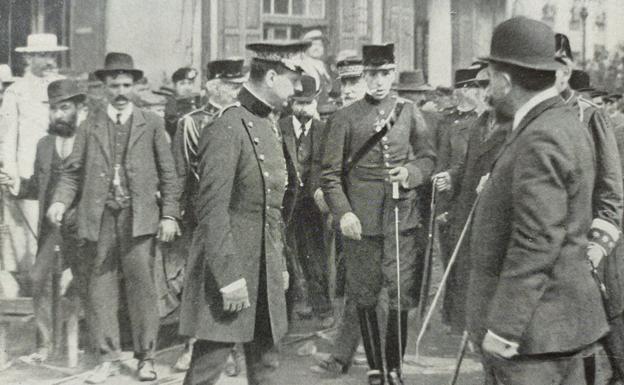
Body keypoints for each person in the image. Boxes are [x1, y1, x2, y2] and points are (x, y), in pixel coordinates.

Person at [467, 17, 610, 384]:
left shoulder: (540, 136)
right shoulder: (562, 121)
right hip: (553, 330)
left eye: (490, 80)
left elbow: (537, 240)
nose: (487, 93)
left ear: (504, 80)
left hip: (532, 340)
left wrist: (504, 327)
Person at [47, 52, 181, 383]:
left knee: (143, 289)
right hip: (100, 218)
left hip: (139, 220)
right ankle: (107, 357)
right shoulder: (89, 125)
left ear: (135, 86)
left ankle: (146, 357)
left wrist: (169, 215)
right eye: (113, 85)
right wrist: (60, 202)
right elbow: (72, 173)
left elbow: (169, 174)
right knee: (100, 290)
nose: (120, 92)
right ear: (103, 88)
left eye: (126, 85)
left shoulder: (150, 122)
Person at [178, 40, 305, 385]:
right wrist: (229, 276)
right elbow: (213, 211)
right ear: (272, 76)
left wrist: (278, 263)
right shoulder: (228, 126)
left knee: (266, 365)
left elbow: (275, 209)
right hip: (232, 267)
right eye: (293, 80)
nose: (297, 89)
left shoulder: (273, 124)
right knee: (208, 365)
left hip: (265, 268)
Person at [321, 43, 435, 385]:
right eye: (372, 74)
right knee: (366, 293)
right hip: (362, 222)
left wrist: (411, 173)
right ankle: (374, 368)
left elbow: (428, 157)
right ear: (363, 75)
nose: (379, 81)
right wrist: (344, 213)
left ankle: (395, 368)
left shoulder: (409, 111)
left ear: (394, 73)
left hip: (401, 218)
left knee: (400, 293)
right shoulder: (344, 117)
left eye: (385, 73)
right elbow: (329, 176)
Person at [0, 79, 88, 362]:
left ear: (78, 108)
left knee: (83, 282)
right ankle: (45, 346)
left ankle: (82, 343)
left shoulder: (90, 141)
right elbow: (39, 186)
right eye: (54, 109)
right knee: (38, 278)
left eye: (65, 108)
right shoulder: (44, 144)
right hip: (52, 231)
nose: (58, 115)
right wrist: (16, 186)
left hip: (85, 229)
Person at [169, 57, 247, 374]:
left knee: (235, 278)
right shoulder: (191, 124)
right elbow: (179, 176)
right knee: (201, 284)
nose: (237, 91)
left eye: (239, 85)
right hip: (202, 217)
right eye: (230, 85)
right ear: (213, 86)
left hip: (238, 214)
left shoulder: (246, 119)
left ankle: (236, 349)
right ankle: (193, 348)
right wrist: (172, 215)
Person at [556, 32, 624, 383]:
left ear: (567, 69)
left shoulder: (590, 116)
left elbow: (611, 193)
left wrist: (597, 245)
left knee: (584, 335)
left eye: (557, 67)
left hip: (583, 247)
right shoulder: (525, 118)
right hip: (540, 247)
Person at [312, 54, 369, 377]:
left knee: (368, 286)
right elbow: (325, 165)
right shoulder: (336, 120)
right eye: (344, 82)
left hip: (377, 212)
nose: (347, 89)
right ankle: (347, 351)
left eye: (354, 82)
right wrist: (323, 190)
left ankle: (346, 354)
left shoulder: (389, 117)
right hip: (346, 213)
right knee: (351, 282)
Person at [0, 34, 66, 289]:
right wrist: (11, 175)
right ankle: (31, 295)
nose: (49, 61)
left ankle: (56, 296)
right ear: (28, 58)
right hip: (28, 177)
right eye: (42, 55)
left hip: (60, 176)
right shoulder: (16, 92)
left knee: (58, 239)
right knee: (29, 240)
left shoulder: (62, 87)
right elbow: (7, 139)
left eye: (52, 55)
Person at [432, 64, 488, 333]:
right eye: (470, 88)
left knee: (475, 262)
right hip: (455, 202)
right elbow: (442, 165)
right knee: (453, 260)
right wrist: (441, 206)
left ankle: (472, 320)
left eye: (477, 88)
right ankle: (455, 317)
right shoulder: (451, 125)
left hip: (481, 200)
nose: (470, 93)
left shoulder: (489, 121)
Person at [280, 74, 331, 323]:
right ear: (291, 103)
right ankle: (291, 307)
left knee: (316, 254)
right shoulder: (280, 128)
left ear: (316, 102)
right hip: (286, 204)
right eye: (298, 102)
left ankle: (321, 306)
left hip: (313, 204)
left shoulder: (325, 130)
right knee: (287, 253)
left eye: (308, 102)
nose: (303, 108)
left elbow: (331, 167)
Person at [164, 67, 199, 137]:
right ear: (174, 86)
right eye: (182, 84)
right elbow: (172, 124)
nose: (187, 87)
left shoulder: (196, 100)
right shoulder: (170, 102)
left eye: (190, 83)